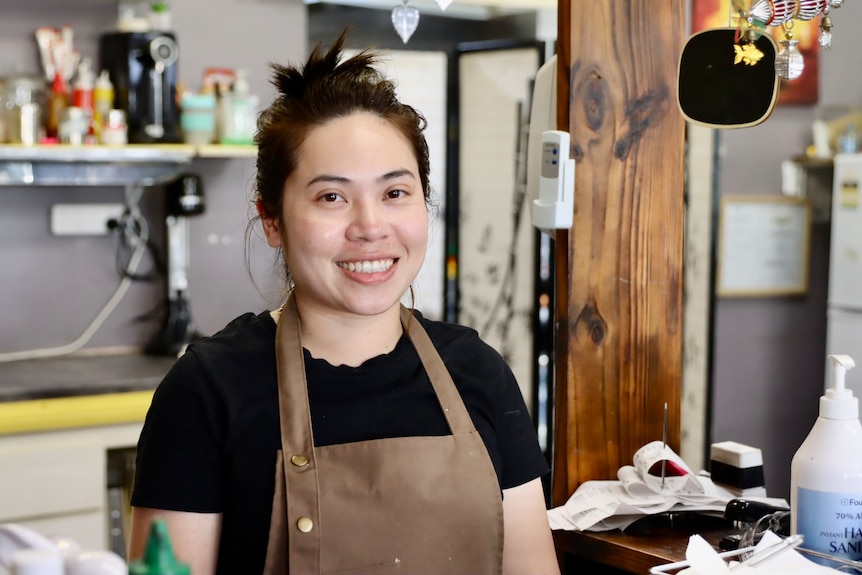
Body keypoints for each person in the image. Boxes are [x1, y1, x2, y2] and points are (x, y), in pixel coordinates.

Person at [128, 31, 560, 575]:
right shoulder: (206, 391)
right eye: (331, 197)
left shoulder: (479, 373)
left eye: (395, 193)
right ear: (272, 221)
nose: (370, 227)